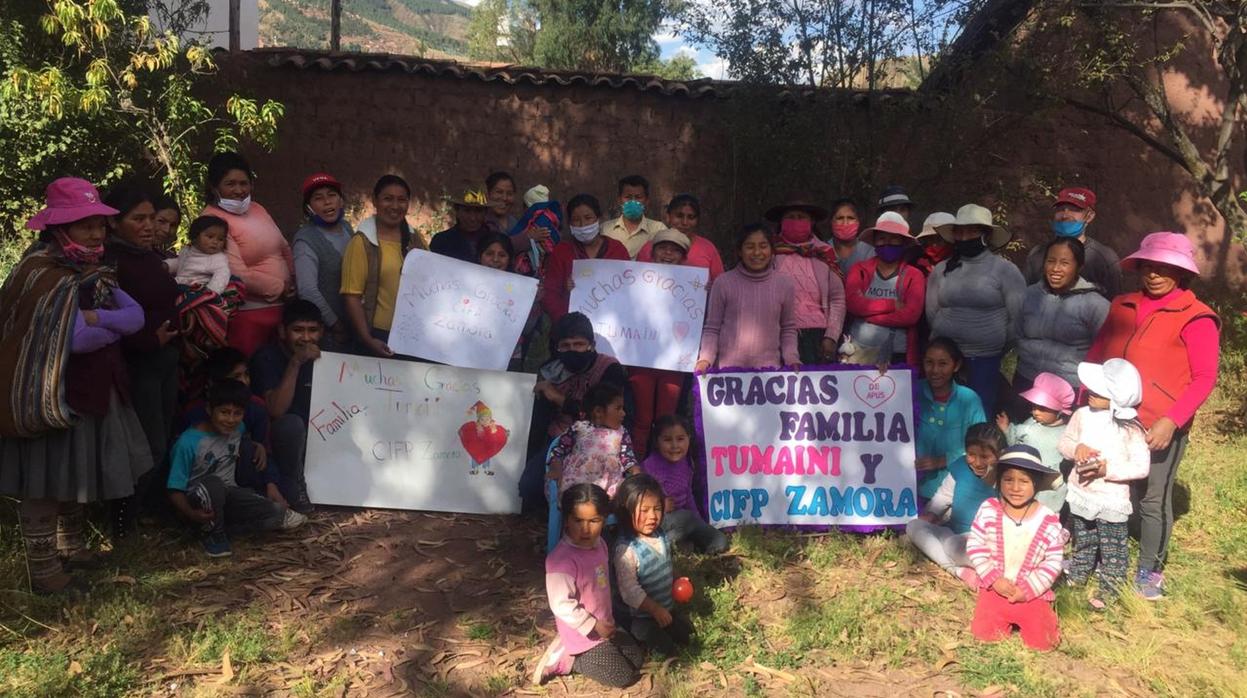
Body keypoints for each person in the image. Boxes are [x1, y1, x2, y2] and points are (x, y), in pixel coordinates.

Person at [0, 177, 152, 593]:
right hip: (45, 393)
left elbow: (132, 319)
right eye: (84, 224)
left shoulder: (95, 272)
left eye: (99, 225)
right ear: (57, 228)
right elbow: (73, 341)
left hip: (90, 388)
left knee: (73, 471)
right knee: (44, 478)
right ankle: (45, 571)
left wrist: (98, 321)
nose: (95, 233)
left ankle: (72, 546)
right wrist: (99, 328)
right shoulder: (39, 274)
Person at [1085, 232, 1220, 600]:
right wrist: (1088, 396)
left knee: (1152, 497)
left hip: (1160, 422)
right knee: (1113, 487)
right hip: (1113, 416)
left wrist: (1172, 419)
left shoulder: (1196, 317)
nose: (1155, 275)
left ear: (1182, 273)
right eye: (1149, 267)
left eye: (1165, 268)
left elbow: (1204, 377)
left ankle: (1150, 570)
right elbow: (1098, 353)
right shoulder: (1122, 305)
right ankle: (1105, 554)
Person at [105, 184, 180, 531]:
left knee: (161, 439)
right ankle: (120, 522)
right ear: (114, 223)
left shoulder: (147, 255)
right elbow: (105, 320)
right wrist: (148, 340)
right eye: (139, 219)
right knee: (145, 446)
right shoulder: (110, 263)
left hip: (164, 360)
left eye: (152, 217)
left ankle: (145, 512)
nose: (150, 225)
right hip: (137, 366)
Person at [166, 379, 306, 558]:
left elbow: (245, 442)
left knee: (280, 512)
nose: (230, 420)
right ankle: (213, 535)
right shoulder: (188, 442)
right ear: (209, 410)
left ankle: (228, 528)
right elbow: (174, 489)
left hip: (230, 495)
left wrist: (258, 446)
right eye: (224, 412)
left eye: (237, 413)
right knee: (214, 484)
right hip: (199, 500)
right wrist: (191, 514)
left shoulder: (238, 429)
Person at [1059, 359, 1150, 608]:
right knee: (1084, 538)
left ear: (1115, 398)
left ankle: (1110, 587)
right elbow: (1064, 442)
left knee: (1114, 548)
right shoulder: (1081, 415)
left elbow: (1141, 467)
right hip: (1081, 493)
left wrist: (1106, 470)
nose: (1088, 393)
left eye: (1097, 391)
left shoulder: (1131, 429)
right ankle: (1078, 574)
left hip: (1111, 499)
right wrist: (1076, 448)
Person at [533, 483, 643, 687]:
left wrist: (604, 622)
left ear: (604, 520)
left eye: (594, 521)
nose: (585, 529)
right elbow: (561, 605)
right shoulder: (561, 561)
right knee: (623, 677)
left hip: (605, 624)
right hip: (582, 634)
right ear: (566, 519)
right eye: (578, 521)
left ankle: (590, 649)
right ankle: (569, 659)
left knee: (637, 659)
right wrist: (593, 625)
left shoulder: (600, 544)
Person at [521, 312, 631, 515]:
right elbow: (539, 421)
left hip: (598, 445)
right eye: (566, 345)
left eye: (579, 344)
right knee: (529, 487)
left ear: (591, 344)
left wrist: (559, 398)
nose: (573, 350)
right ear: (558, 347)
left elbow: (605, 417)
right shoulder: (552, 370)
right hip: (559, 440)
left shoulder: (609, 369)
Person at [926, 203, 1025, 416]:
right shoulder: (941, 269)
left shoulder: (1005, 270)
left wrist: (994, 342)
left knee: (978, 415)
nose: (965, 236)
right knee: (941, 414)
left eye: (972, 231)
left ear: (986, 235)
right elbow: (932, 313)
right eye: (960, 231)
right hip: (944, 361)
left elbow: (1017, 317)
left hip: (985, 359)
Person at [966, 448, 1064, 652]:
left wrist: (1028, 590)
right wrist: (994, 579)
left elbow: (1053, 562)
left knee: (1044, 642)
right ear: (999, 481)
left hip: (1031, 592)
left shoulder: (1048, 520)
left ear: (1036, 484)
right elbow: (976, 545)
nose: (1015, 488)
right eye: (1008, 480)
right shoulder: (988, 509)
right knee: (984, 634)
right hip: (996, 587)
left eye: (1024, 481)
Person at [202, 151, 294, 356]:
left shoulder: (257, 208)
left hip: (282, 312)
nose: (239, 190)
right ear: (214, 187)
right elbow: (236, 273)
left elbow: (283, 246)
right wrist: (281, 287)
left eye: (244, 183)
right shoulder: (211, 221)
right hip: (248, 316)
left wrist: (294, 280)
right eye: (230, 184)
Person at [182, 348, 286, 508]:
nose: (244, 381)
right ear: (213, 382)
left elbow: (265, 450)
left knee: (283, 499)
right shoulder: (195, 412)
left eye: (246, 375)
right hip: (203, 483)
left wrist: (271, 484)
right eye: (236, 377)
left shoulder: (256, 407)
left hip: (241, 478)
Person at [906, 424, 1007, 587]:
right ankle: (959, 571)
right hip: (953, 533)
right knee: (913, 526)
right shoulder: (960, 466)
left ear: (1000, 456)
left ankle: (982, 568)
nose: (978, 462)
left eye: (985, 456)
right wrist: (932, 513)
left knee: (954, 546)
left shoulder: (1005, 475)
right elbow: (944, 495)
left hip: (984, 543)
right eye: (972, 454)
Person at [248, 300, 323, 513]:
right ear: (282, 331)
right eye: (298, 330)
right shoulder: (266, 357)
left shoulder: (327, 357)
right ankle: (293, 485)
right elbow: (276, 410)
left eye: (313, 330)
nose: (306, 338)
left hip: (320, 436)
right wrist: (296, 363)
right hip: (279, 442)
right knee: (291, 424)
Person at [695, 224, 799, 371]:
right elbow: (712, 328)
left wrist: (792, 358)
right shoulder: (723, 283)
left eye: (763, 246)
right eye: (749, 247)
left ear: (771, 250)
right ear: (739, 251)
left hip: (769, 375)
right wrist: (705, 358)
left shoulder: (785, 284)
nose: (757, 252)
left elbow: (788, 328)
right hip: (728, 374)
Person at [612, 474, 696, 656]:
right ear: (626, 510)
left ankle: (667, 624)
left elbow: (665, 563)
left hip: (665, 607)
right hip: (641, 616)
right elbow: (630, 591)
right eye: (644, 510)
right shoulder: (627, 549)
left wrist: (677, 578)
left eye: (657, 508)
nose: (652, 516)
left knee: (687, 636)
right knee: (666, 649)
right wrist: (654, 610)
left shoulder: (660, 534)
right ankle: (634, 637)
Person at [628, 228, 694, 453]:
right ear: (652, 252)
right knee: (642, 420)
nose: (668, 254)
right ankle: (635, 470)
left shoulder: (694, 286)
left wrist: (705, 292)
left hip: (674, 363)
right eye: (663, 248)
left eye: (675, 251)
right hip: (640, 361)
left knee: (666, 420)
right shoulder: (633, 279)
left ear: (683, 257)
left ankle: (663, 469)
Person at [341, 175, 422, 357]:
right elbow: (351, 296)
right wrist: (367, 339)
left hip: (413, 337)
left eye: (401, 200)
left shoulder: (415, 239)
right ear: (375, 201)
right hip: (378, 336)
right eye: (388, 199)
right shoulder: (362, 243)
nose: (395, 206)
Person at [1014, 237, 1109, 393]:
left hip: (1070, 387)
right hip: (1027, 378)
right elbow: (1016, 332)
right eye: (1051, 261)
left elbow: (1105, 351)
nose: (1056, 269)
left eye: (1065, 263)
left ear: (1079, 267)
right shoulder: (1029, 295)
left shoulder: (1096, 305)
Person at [765, 197, 845, 364]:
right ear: (781, 221)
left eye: (801, 217)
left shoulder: (824, 252)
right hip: (776, 333)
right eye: (790, 217)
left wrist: (831, 336)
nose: (796, 221)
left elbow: (837, 298)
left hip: (817, 336)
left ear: (812, 221)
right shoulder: (768, 251)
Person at [844, 212, 925, 366]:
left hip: (897, 354)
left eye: (894, 238)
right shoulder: (859, 270)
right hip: (858, 353)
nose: (887, 243)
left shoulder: (914, 275)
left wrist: (871, 318)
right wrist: (892, 305)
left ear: (903, 242)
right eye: (882, 238)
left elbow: (910, 315)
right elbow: (854, 304)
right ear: (874, 242)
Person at [641, 415, 729, 554]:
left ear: (689, 438)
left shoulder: (686, 463)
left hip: (683, 523)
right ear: (657, 442)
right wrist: (660, 505)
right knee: (685, 518)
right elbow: (639, 503)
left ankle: (685, 546)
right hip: (660, 522)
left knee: (720, 541)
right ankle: (652, 550)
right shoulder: (650, 467)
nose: (675, 445)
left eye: (680, 439)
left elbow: (688, 496)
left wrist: (699, 523)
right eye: (667, 440)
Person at [165, 215, 244, 366]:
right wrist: (166, 266)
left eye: (220, 239)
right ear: (194, 236)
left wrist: (211, 292)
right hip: (179, 284)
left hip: (198, 289)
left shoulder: (218, 258)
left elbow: (222, 274)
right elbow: (180, 263)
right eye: (210, 236)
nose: (215, 242)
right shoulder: (187, 251)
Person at [540, 193, 630, 322]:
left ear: (599, 218)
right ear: (569, 223)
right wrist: (566, 317)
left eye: (588, 218)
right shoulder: (562, 252)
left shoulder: (617, 250)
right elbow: (550, 295)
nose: (582, 225)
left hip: (612, 326)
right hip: (570, 330)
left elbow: (628, 290)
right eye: (576, 220)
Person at [915, 338, 987, 499]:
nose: (934, 370)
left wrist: (943, 460)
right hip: (907, 489)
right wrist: (882, 374)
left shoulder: (969, 399)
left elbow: (983, 445)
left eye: (942, 364)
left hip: (953, 490)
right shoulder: (911, 389)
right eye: (929, 362)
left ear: (956, 365)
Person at [293, 172, 354, 352]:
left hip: (355, 326)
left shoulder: (347, 228)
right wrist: (336, 324)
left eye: (332, 195)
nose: (327, 202)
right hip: (330, 333)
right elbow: (308, 290)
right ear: (308, 208)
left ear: (341, 201)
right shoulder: (306, 241)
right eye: (318, 198)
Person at [994, 372, 1072, 513]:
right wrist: (1007, 429)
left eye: (1042, 408)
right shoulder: (1031, 425)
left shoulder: (1068, 431)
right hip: (1026, 476)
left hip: (1051, 483)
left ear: (1059, 411)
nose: (1035, 412)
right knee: (1021, 506)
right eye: (1034, 406)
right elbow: (1016, 445)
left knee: (1047, 511)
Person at [1024, 187, 1121, 299]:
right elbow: (1025, 299)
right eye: (1061, 209)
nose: (1065, 215)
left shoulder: (1104, 258)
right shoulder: (1037, 254)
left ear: (1090, 216)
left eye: (1074, 209)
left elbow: (1114, 307)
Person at [547, 383, 639, 499]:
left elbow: (627, 457)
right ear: (598, 412)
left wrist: (636, 471)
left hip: (609, 487)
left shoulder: (622, 432)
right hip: (576, 484)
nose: (624, 413)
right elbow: (559, 450)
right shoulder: (579, 428)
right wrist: (556, 467)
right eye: (618, 408)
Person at [476, 231, 541, 369]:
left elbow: (528, 328)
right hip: (468, 353)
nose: (495, 259)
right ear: (479, 256)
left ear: (510, 259)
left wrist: (534, 302)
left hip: (509, 358)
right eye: (489, 253)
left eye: (502, 255)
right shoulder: (462, 283)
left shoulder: (520, 289)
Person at [636, 194, 724, 282]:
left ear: (697, 220)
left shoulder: (707, 248)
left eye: (691, 217)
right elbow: (637, 280)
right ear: (668, 217)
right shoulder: (649, 248)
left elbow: (720, 284)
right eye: (679, 216)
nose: (685, 222)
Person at [603, 175, 665, 258]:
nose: (633, 201)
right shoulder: (605, 229)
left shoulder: (659, 229)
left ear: (647, 201)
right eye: (628, 197)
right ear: (619, 200)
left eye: (638, 197)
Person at [430, 188, 491, 263]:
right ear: (457, 211)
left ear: (485, 213)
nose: (473, 218)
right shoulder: (441, 241)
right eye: (467, 211)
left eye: (478, 211)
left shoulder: (496, 241)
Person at [827, 198, 874, 276]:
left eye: (851, 218)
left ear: (858, 222)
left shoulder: (869, 252)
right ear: (831, 221)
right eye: (840, 218)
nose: (845, 223)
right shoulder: (822, 251)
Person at [913, 212, 954, 277]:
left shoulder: (961, 265)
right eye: (930, 239)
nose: (934, 244)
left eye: (939, 239)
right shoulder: (917, 265)